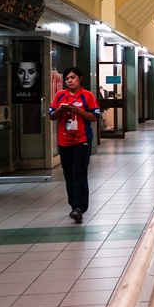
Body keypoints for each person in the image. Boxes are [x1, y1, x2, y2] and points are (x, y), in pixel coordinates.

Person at [49, 67, 100, 223]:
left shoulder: (87, 96)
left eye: (73, 77)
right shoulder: (60, 96)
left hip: (82, 139)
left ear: (80, 78)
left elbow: (94, 117)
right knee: (68, 173)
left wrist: (78, 111)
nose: (70, 80)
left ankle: (79, 207)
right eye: (67, 78)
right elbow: (52, 116)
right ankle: (73, 205)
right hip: (64, 140)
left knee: (79, 173)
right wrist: (60, 110)